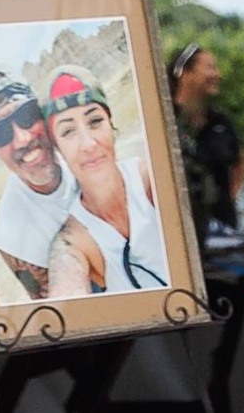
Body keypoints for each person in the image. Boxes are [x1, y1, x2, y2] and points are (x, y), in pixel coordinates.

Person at [42, 77, 170, 298]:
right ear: (57, 150)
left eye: (95, 121)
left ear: (111, 126)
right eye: (68, 131)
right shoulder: (74, 239)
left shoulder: (153, 179)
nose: (89, 144)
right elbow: (66, 293)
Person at [0, 74, 84, 299]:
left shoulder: (86, 151)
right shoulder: (12, 238)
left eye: (26, 116)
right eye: (0, 133)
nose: (22, 139)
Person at [168, 44, 243, 238]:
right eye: (209, 67)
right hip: (178, 230)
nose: (217, 74)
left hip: (220, 230)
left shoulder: (220, 121)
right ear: (185, 73)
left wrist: (229, 196)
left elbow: (240, 159)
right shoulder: (164, 120)